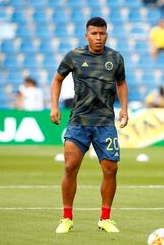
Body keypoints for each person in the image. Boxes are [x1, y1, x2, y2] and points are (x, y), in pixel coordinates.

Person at [50, 17, 129, 234]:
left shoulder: (115, 57)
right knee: (69, 167)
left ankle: (105, 218)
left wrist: (124, 108)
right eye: (94, 33)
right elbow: (57, 79)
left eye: (102, 33)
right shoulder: (74, 56)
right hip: (79, 121)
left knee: (111, 169)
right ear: (87, 35)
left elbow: (121, 83)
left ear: (106, 35)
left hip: (105, 123)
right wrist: (54, 106)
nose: (98, 37)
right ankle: (66, 217)